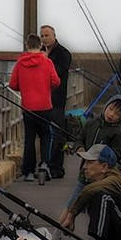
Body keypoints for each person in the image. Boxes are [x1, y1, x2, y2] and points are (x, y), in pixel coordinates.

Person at [8, 34, 60, 181]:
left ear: (27, 45)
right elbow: (56, 82)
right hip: (45, 107)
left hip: (28, 107)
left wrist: (24, 87)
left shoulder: (20, 63)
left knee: (29, 139)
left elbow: (13, 85)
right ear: (40, 45)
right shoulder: (47, 62)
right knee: (47, 136)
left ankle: (28, 172)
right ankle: (44, 164)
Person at [66, 95, 121, 207]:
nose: (111, 114)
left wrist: (101, 157)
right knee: (72, 204)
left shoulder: (119, 133)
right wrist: (79, 148)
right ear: (106, 107)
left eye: (117, 114)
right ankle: (65, 222)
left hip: (102, 177)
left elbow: (116, 156)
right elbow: (79, 139)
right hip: (85, 172)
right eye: (110, 109)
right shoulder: (91, 123)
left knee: (96, 207)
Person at [41, 25, 72, 178]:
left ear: (54, 36)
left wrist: (46, 62)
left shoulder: (64, 53)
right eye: (42, 36)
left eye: (47, 35)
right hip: (41, 100)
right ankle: (45, 165)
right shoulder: (39, 52)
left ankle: (56, 168)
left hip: (57, 100)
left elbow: (60, 72)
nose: (44, 38)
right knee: (45, 134)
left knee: (57, 134)